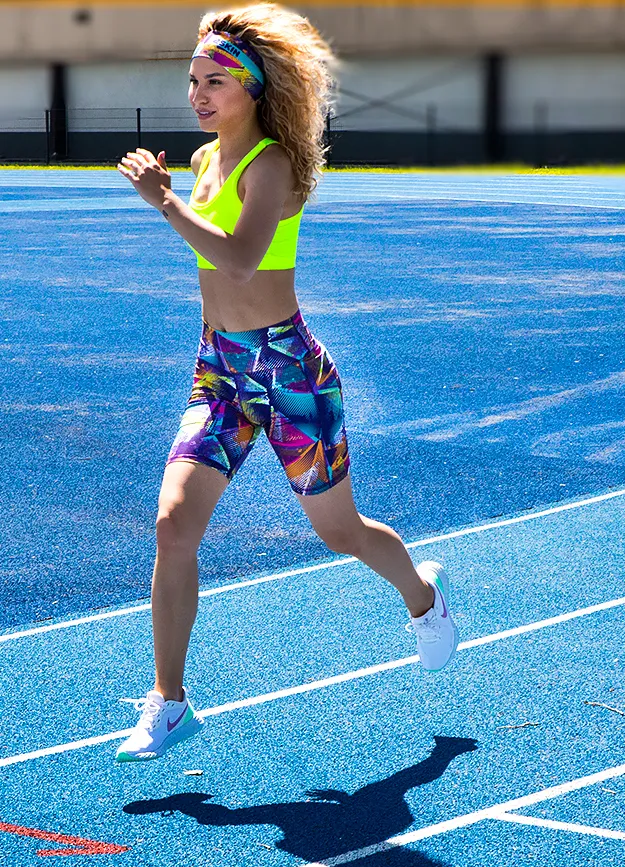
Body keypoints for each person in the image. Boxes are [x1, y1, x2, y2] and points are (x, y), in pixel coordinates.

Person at [114, 3, 457, 762]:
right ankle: (170, 701)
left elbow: (240, 259)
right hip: (223, 374)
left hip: (290, 373)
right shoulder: (204, 162)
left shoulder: (270, 164)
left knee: (340, 532)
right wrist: (178, 192)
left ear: (254, 88)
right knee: (173, 526)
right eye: (193, 80)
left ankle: (426, 601)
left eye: (216, 81)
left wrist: (163, 201)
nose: (199, 94)